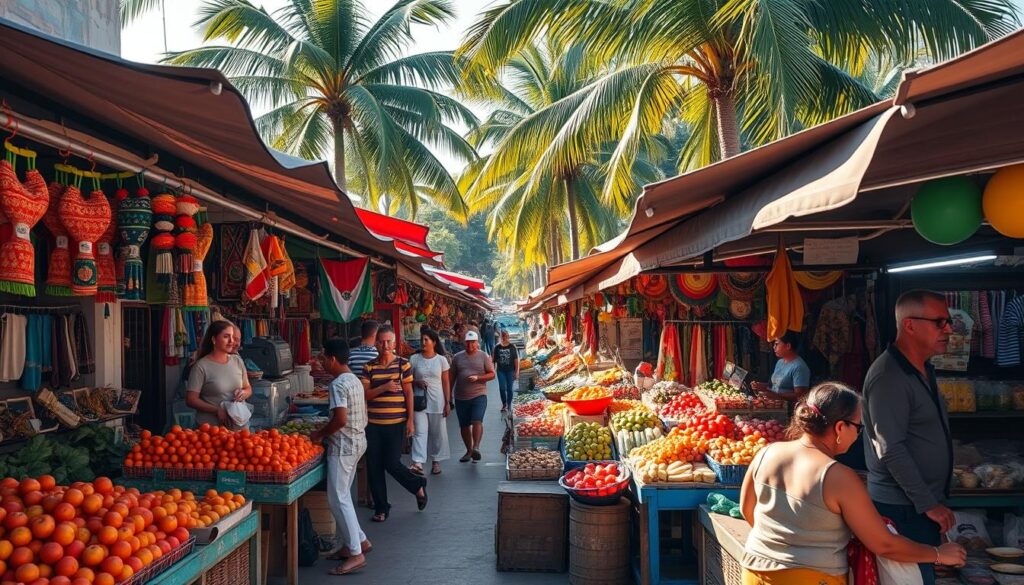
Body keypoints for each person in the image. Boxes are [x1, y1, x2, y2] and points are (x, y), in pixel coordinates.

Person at [740, 383, 966, 585]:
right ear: (840, 428)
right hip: (810, 577)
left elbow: (747, 510)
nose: (858, 435)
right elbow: (883, 544)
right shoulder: (837, 476)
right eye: (858, 427)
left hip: (753, 570)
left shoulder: (767, 452)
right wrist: (938, 553)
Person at [862, 290, 955, 585]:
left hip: (917, 506)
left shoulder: (921, 369)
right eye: (939, 322)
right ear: (910, 325)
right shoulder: (889, 375)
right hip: (902, 509)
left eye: (948, 322)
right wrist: (928, 503)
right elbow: (890, 449)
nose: (949, 329)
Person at [309, 339, 370, 576]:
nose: (322, 362)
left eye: (323, 357)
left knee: (338, 499)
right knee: (343, 496)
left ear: (332, 359)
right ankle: (359, 541)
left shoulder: (337, 385)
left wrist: (319, 434)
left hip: (344, 446)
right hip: (357, 441)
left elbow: (340, 419)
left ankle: (356, 553)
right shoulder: (354, 379)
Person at [359, 325, 427, 522]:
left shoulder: (403, 365)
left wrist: (410, 421)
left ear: (394, 343)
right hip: (373, 424)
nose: (385, 345)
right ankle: (381, 508)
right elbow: (366, 394)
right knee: (374, 467)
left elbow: (408, 394)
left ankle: (417, 485)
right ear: (376, 343)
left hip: (396, 423)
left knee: (391, 463)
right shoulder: (369, 367)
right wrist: (385, 387)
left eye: (389, 341)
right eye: (381, 341)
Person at [186, 321, 252, 429]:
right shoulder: (201, 366)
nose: (231, 341)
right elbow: (191, 400)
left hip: (240, 430)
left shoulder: (237, 361)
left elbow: (248, 388)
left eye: (232, 337)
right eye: (226, 337)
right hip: (210, 431)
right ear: (213, 340)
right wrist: (216, 409)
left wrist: (244, 393)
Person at [409, 328, 451, 476]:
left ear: (434, 342)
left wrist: (447, 402)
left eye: (426, 340)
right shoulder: (414, 359)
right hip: (419, 401)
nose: (423, 342)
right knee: (420, 431)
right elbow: (407, 380)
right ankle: (418, 462)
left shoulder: (441, 360)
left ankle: (436, 460)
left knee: (436, 433)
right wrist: (416, 382)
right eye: (422, 339)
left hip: (437, 401)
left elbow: (446, 382)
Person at [450, 330, 495, 463]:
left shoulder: (483, 356)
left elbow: (492, 374)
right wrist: (448, 396)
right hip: (460, 396)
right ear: (464, 343)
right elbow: (452, 377)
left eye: (472, 342)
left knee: (477, 421)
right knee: (464, 425)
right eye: (468, 342)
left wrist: (478, 378)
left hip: (479, 394)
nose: (470, 345)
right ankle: (469, 451)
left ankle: (476, 447)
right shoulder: (457, 357)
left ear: (477, 343)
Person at [751, 330, 810, 402]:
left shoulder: (799, 367)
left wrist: (776, 396)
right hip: (774, 405)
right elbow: (774, 386)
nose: (774, 347)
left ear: (788, 346)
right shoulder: (780, 362)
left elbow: (800, 396)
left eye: (777, 344)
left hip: (788, 409)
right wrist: (761, 386)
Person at [492, 330, 520, 413]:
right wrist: (492, 370)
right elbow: (493, 360)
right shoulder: (497, 347)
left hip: (510, 370)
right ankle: (504, 404)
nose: (505, 338)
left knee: (509, 389)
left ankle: (509, 404)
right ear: (501, 337)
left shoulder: (512, 347)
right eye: (503, 336)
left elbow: (516, 360)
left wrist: (516, 371)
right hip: (500, 371)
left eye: (507, 336)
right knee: (502, 388)